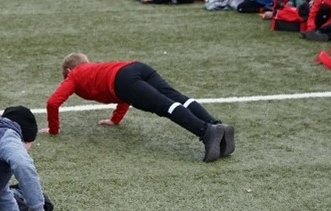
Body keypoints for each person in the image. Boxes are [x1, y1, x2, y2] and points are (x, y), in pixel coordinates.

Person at [42, 53, 235, 163]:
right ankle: (216, 125)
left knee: (165, 106)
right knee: (177, 98)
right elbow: (123, 95)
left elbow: (52, 102)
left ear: (68, 70)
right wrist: (115, 119)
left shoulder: (73, 76)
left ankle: (206, 131)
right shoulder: (96, 68)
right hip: (136, 67)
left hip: (123, 80)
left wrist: (53, 129)